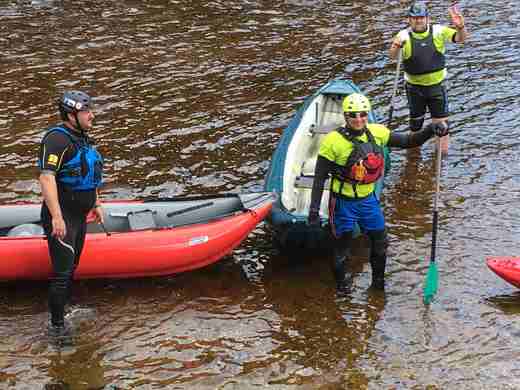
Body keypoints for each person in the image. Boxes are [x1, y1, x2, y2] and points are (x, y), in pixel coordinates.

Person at [307, 93, 448, 293]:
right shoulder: (332, 142)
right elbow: (320, 177)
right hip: (342, 203)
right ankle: (342, 288)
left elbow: (409, 141)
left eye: (363, 114)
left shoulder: (378, 132)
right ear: (345, 116)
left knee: (380, 242)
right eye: (353, 115)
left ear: (367, 114)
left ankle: (378, 286)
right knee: (342, 248)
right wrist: (314, 209)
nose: (358, 119)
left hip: (368, 201)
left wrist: (430, 129)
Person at [38, 90, 104, 345]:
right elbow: (46, 177)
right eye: (87, 111)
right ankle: (56, 330)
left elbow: (90, 172)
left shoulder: (82, 138)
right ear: (71, 115)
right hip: (63, 216)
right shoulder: (56, 140)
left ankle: (64, 312)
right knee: (62, 273)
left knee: (72, 268)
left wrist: (95, 202)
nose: (92, 115)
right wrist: (56, 216)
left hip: (79, 215)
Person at [389, 2, 467, 153]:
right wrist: (396, 46)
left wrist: (461, 27)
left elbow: (461, 39)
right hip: (414, 89)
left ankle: (441, 159)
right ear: (409, 20)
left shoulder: (438, 31)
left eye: (421, 17)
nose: (418, 21)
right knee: (416, 127)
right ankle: (413, 160)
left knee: (442, 127)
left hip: (436, 88)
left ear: (427, 18)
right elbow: (392, 57)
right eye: (414, 18)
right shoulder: (403, 35)